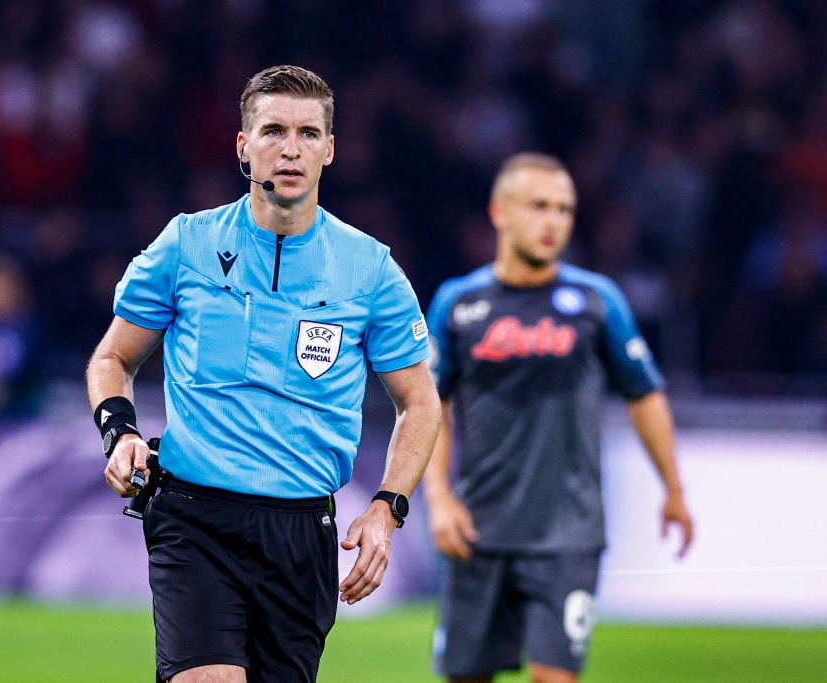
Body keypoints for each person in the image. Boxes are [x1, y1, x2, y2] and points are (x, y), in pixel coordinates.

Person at [85, 64, 441, 683]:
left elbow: (420, 402)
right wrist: (120, 435)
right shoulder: (187, 245)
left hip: (301, 531)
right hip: (193, 517)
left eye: (308, 133)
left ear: (330, 150)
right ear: (243, 147)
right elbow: (112, 358)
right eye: (273, 130)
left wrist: (387, 507)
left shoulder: (370, 270)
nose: (290, 148)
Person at [423, 152, 694, 683]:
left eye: (565, 210)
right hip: (478, 529)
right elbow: (431, 406)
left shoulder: (597, 301)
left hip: (568, 533)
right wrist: (437, 498)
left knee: (555, 677)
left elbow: (646, 395)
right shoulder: (459, 304)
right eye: (540, 206)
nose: (555, 222)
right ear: (500, 212)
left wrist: (674, 489)